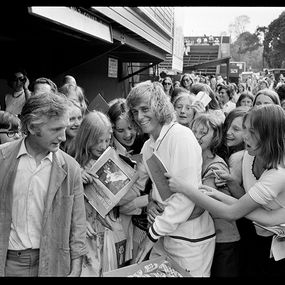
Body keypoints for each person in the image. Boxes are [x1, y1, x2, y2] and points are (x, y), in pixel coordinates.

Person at [165, 104, 285, 277]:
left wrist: (186, 189)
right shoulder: (247, 157)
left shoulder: (278, 174)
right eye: (244, 129)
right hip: (260, 235)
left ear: (269, 135)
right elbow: (250, 207)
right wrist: (218, 193)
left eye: (251, 132)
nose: (244, 136)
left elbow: (233, 213)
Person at [126, 81, 216, 277]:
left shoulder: (181, 136)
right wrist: (149, 202)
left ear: (159, 106)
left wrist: (152, 235)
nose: (139, 117)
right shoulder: (148, 145)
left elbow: (186, 197)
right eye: (134, 112)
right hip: (163, 236)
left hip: (188, 240)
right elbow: (145, 186)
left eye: (144, 109)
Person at [0, 92, 87, 276]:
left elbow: (78, 224)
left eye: (64, 128)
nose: (63, 137)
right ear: (32, 127)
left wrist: (76, 266)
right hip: (9, 263)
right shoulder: (2, 158)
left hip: (53, 263)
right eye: (56, 129)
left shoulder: (71, 168)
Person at [191, 113, 240, 277]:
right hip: (209, 234)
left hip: (224, 237)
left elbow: (203, 202)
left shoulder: (216, 164)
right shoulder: (196, 158)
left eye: (203, 132)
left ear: (215, 137)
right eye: (194, 131)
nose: (197, 136)